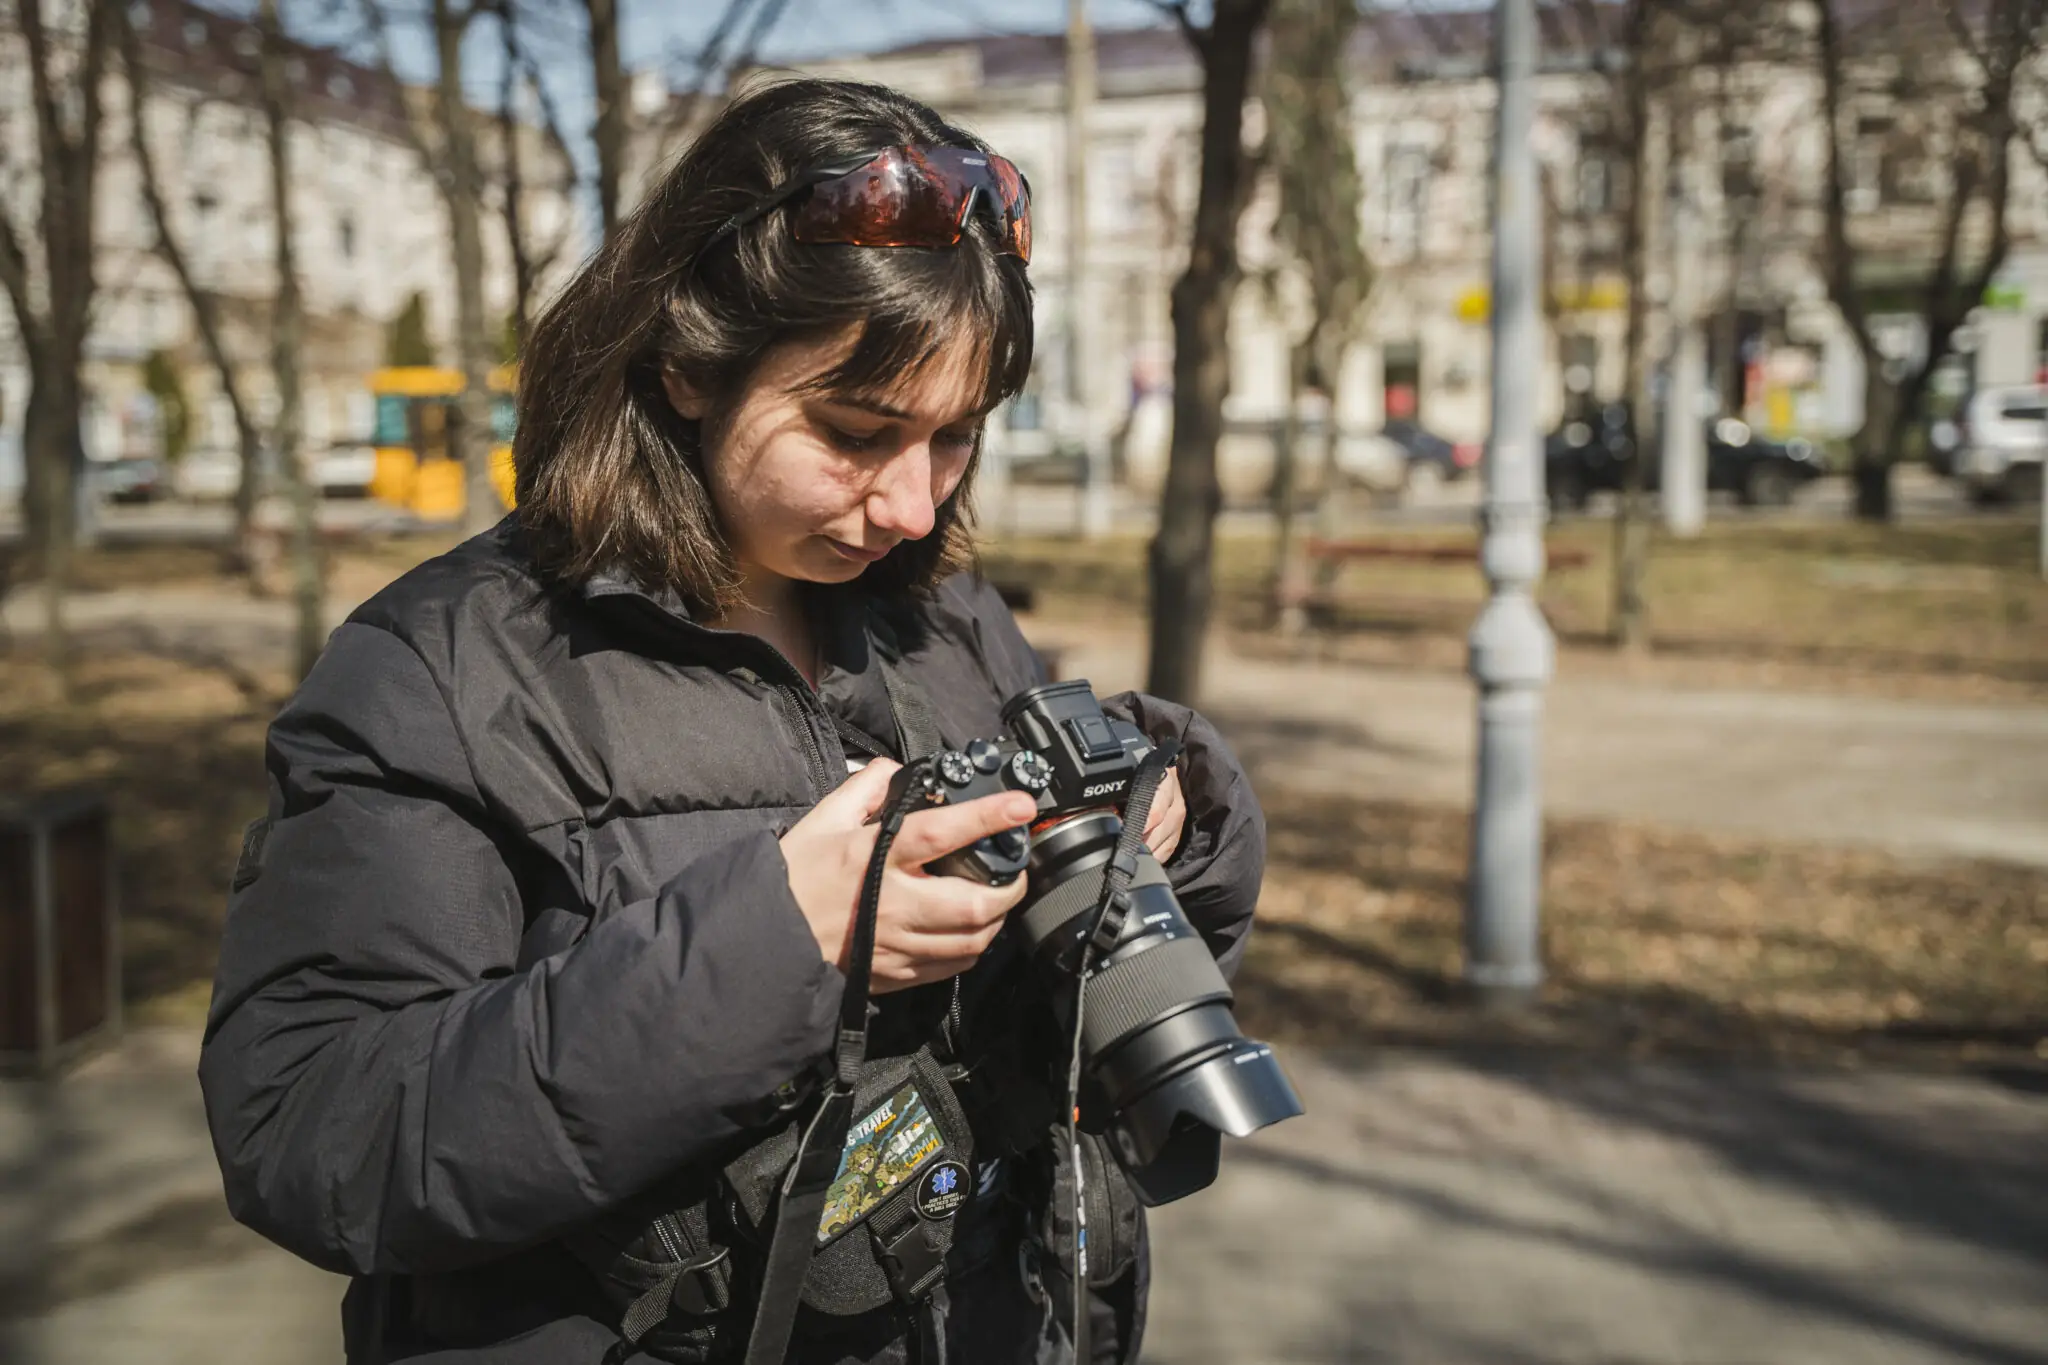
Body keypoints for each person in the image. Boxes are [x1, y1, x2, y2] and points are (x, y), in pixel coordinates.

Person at [199, 78, 1265, 1365]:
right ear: (687, 365)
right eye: (855, 432)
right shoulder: (438, 671)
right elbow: (314, 1136)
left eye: (955, 440)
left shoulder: (944, 618)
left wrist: (1175, 818)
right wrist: (778, 942)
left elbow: (1072, 994)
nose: (914, 506)